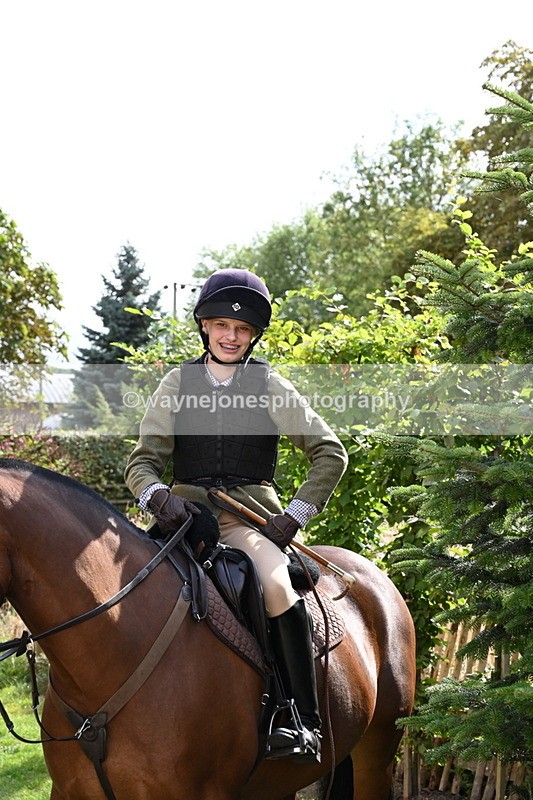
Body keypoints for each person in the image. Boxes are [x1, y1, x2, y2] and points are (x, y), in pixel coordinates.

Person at [124, 268, 348, 763]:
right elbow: (142, 463)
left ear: (253, 336)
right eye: (222, 324)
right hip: (179, 522)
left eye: (242, 329)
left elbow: (331, 452)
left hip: (246, 524)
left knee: (275, 587)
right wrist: (161, 498)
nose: (231, 335)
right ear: (204, 325)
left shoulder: (269, 384)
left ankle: (300, 721)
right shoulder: (175, 383)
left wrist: (293, 517)